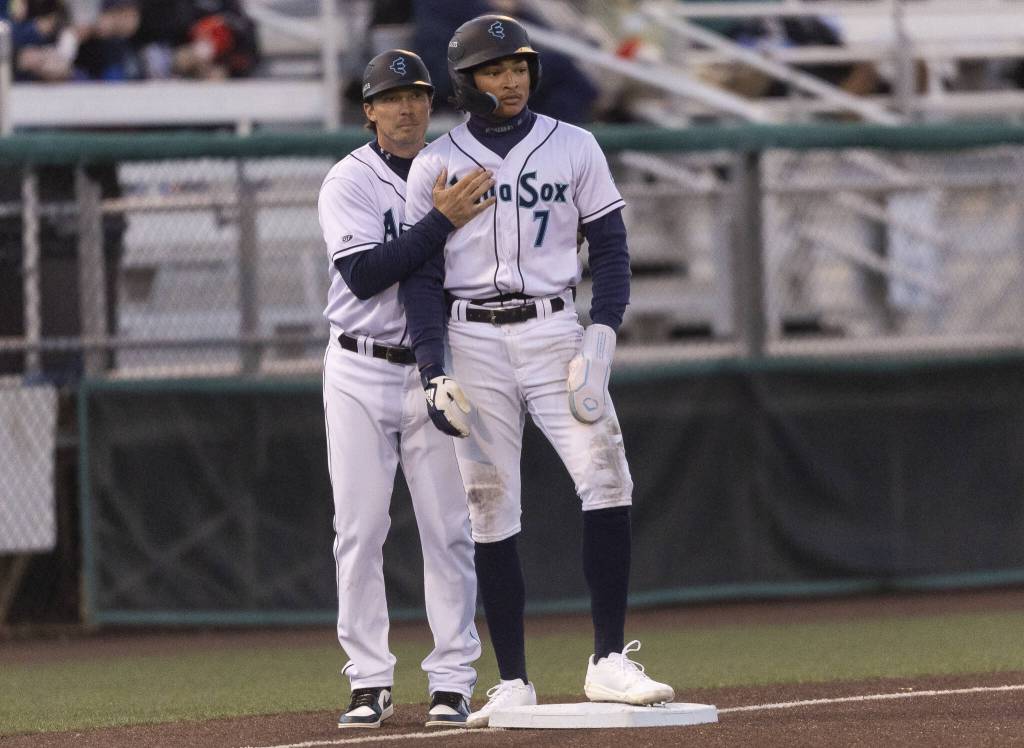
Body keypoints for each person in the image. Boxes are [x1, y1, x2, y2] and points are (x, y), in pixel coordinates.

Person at [400, 14, 675, 728]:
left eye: (519, 66)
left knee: (607, 475)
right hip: (472, 334)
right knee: (490, 502)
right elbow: (420, 280)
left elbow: (611, 252)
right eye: (495, 69)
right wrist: (433, 368)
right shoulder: (436, 163)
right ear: (467, 82)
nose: (512, 79)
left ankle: (608, 660)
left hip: (555, 328)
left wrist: (601, 342)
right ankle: (514, 679)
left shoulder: (575, 145)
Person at [318, 49, 496, 729]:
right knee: (359, 530)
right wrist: (442, 221)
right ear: (368, 111)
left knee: (447, 529)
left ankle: (452, 679)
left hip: (437, 362)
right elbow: (366, 275)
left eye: (417, 95)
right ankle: (368, 679)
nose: (406, 107)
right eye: (391, 98)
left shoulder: (449, 168)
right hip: (359, 365)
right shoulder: (348, 180)